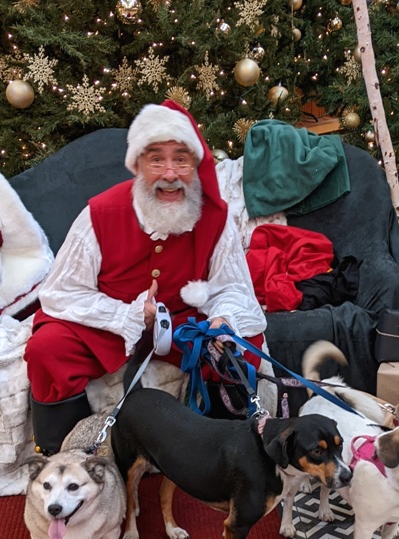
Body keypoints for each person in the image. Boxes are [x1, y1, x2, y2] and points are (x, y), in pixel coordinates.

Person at [24, 100, 268, 455]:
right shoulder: (100, 214)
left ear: (195, 165)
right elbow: (61, 291)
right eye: (156, 159)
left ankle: (222, 451)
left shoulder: (214, 218)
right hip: (106, 324)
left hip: (185, 324)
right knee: (48, 349)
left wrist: (222, 318)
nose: (170, 173)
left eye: (181, 159)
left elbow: (231, 286)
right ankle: (65, 457)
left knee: (242, 347)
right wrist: (128, 315)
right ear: (137, 165)